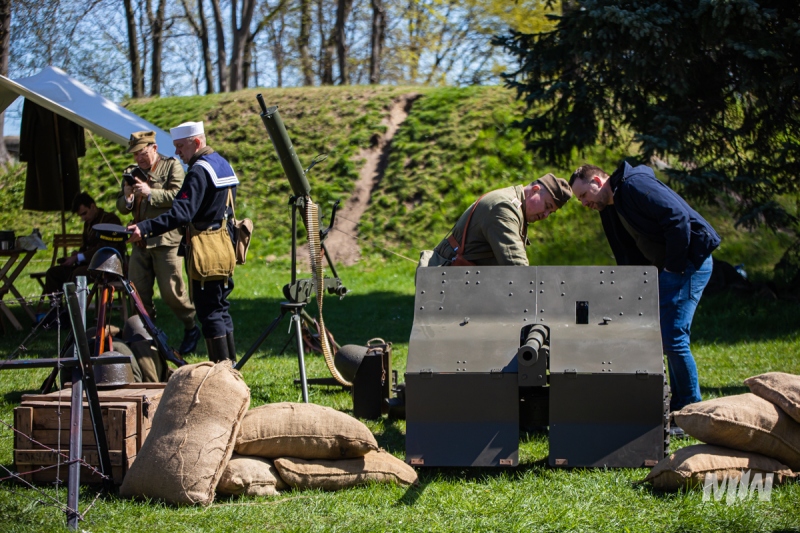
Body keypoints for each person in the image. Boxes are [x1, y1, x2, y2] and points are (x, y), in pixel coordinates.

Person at [569, 162, 721, 417]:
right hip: (671, 268)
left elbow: (677, 218)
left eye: (584, 195)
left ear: (596, 181)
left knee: (673, 336)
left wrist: (673, 269)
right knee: (668, 336)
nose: (584, 203)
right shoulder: (611, 207)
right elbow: (627, 253)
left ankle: (691, 409)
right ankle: (680, 405)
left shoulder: (635, 186)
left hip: (689, 263)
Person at [127, 122, 238, 363]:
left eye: (180, 147)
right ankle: (231, 368)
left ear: (196, 143)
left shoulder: (198, 170)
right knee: (220, 308)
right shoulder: (222, 163)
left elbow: (181, 213)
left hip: (205, 250)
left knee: (210, 313)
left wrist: (145, 227)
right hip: (224, 245)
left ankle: (222, 374)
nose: (177, 153)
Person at [117, 130, 200, 355]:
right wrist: (128, 197)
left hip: (166, 240)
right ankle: (148, 337)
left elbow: (179, 197)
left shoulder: (171, 166)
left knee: (172, 293)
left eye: (142, 153)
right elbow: (123, 207)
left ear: (154, 148)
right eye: (135, 155)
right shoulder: (132, 173)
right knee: (137, 293)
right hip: (139, 242)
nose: (138, 159)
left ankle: (192, 326)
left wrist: (150, 192)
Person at [425, 174, 573, 266]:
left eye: (551, 212)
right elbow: (515, 265)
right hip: (448, 283)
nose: (546, 215)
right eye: (547, 206)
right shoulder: (504, 208)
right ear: (535, 190)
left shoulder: (513, 204)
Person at [43, 192, 125, 298]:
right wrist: (76, 256)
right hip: (89, 265)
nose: (83, 218)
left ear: (92, 206)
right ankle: (56, 309)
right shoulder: (88, 223)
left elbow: (105, 249)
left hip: (108, 266)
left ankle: (75, 311)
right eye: (80, 215)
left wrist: (79, 257)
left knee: (78, 273)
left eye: (84, 213)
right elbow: (85, 246)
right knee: (53, 273)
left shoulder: (110, 220)